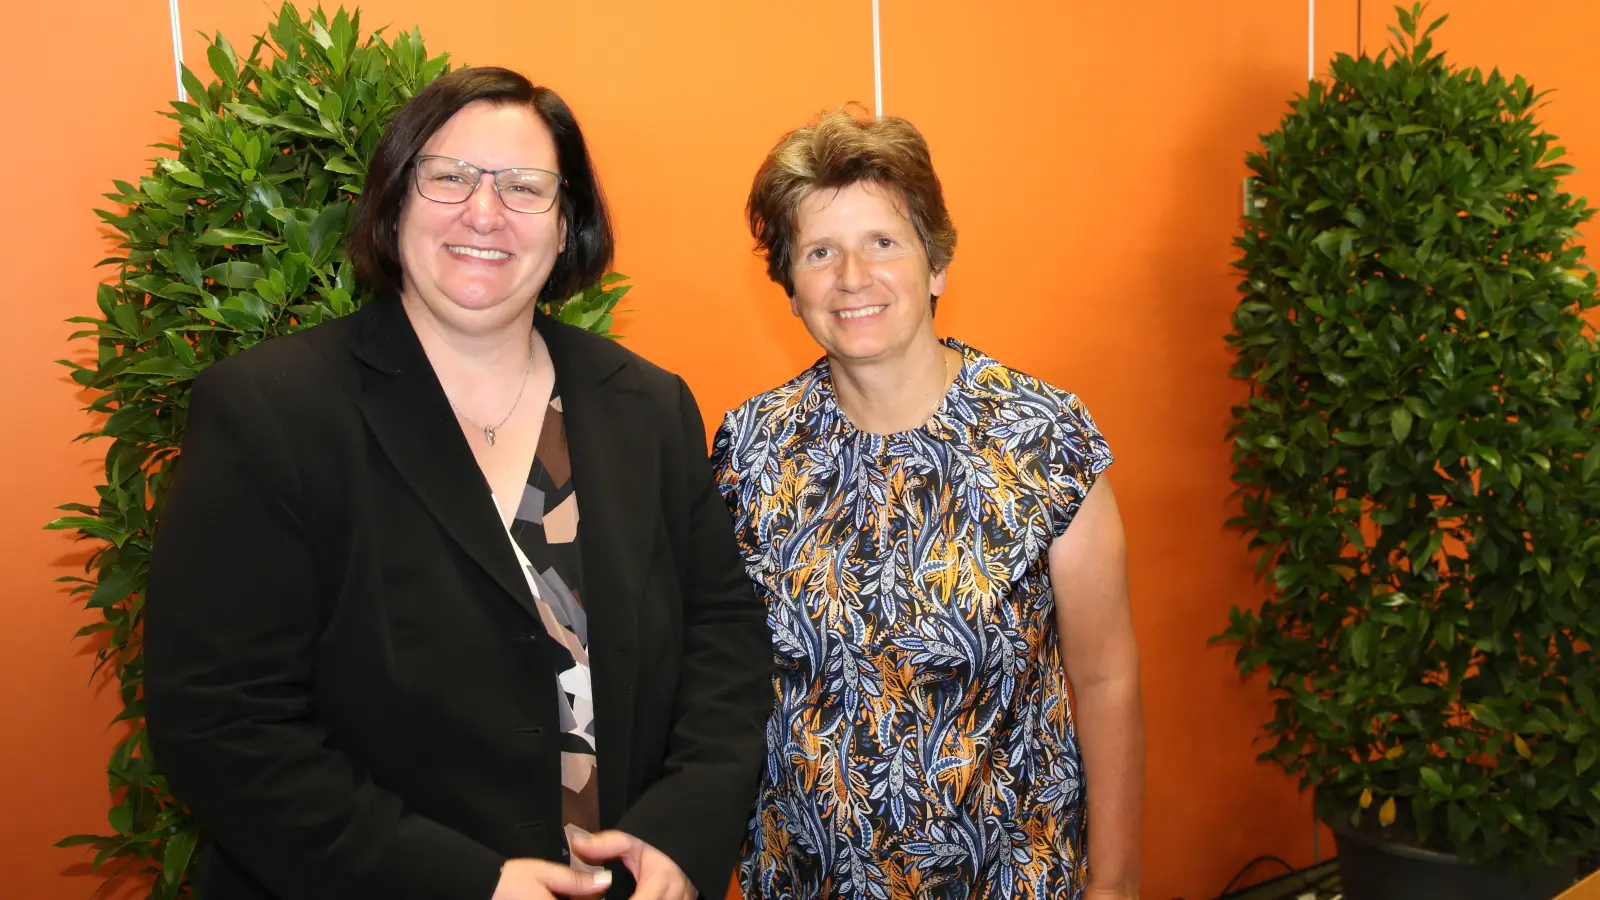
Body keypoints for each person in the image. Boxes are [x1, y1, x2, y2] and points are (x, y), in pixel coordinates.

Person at [144, 67, 772, 900]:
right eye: (448, 178)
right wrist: (463, 884)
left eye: (524, 187)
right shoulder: (272, 411)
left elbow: (722, 639)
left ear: (566, 226)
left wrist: (684, 832)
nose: (485, 213)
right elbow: (223, 722)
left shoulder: (647, 404)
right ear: (395, 202)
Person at [712, 110, 1145, 900]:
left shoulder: (1043, 441)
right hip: (804, 881)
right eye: (819, 252)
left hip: (1008, 878)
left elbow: (1107, 677)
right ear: (790, 284)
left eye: (882, 242)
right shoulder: (748, 451)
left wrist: (1115, 884)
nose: (852, 276)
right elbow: (717, 678)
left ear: (935, 264)